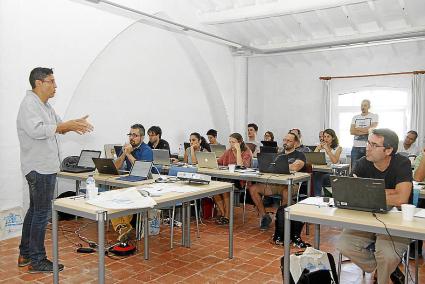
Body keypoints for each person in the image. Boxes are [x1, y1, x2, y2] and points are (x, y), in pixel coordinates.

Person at [17, 67, 93, 273]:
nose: (55, 86)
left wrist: (73, 124)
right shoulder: (29, 105)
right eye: (51, 81)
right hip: (39, 168)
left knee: (34, 212)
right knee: (41, 214)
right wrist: (63, 126)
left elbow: (59, 124)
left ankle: (25, 254)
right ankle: (37, 259)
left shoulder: (45, 106)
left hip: (44, 167)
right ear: (39, 83)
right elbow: (37, 130)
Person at [337, 128, 412, 284]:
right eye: (368, 142)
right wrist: (390, 192)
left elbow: (402, 198)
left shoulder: (402, 163)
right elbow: (351, 193)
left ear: (388, 150)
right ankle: (381, 268)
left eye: (374, 144)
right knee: (343, 244)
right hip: (367, 217)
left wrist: (366, 190)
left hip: (396, 219)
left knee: (387, 255)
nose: (367, 147)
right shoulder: (362, 163)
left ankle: (383, 277)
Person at [248, 132, 306, 230]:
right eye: (284, 140)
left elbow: (296, 167)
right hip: (276, 184)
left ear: (295, 143)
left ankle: (282, 220)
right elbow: (269, 166)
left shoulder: (300, 154)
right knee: (253, 188)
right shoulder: (278, 154)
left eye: (289, 141)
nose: (285, 142)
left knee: (286, 192)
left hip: (292, 185)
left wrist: (277, 165)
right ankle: (265, 217)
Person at [112, 124, 153, 240]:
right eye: (130, 134)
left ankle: (123, 226)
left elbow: (141, 170)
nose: (131, 138)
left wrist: (129, 154)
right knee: (114, 193)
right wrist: (124, 153)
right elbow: (116, 167)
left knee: (127, 194)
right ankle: (122, 227)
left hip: (144, 184)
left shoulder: (147, 150)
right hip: (130, 182)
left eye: (135, 135)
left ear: (142, 137)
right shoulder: (126, 148)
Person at [214, 133, 252, 225]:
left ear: (240, 142)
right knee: (214, 187)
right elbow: (218, 161)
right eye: (230, 142)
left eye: (233, 142)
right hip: (228, 178)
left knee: (225, 188)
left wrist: (238, 150)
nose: (231, 144)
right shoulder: (228, 151)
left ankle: (227, 216)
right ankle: (223, 213)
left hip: (241, 180)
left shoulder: (247, 152)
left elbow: (241, 165)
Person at [350, 99, 379, 170]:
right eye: (362, 105)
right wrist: (367, 130)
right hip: (356, 147)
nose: (363, 107)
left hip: (369, 148)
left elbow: (372, 130)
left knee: (369, 169)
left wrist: (357, 128)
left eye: (365, 105)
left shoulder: (374, 116)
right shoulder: (355, 117)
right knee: (355, 169)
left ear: (369, 106)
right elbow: (352, 131)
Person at [313, 129, 342, 196]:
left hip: (333, 172)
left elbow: (335, 161)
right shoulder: (321, 147)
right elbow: (313, 159)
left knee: (320, 177)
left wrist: (327, 149)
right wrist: (317, 149)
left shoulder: (338, 148)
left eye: (328, 136)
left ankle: (318, 196)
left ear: (333, 138)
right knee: (315, 175)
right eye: (324, 136)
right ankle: (316, 196)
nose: (325, 139)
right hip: (321, 170)